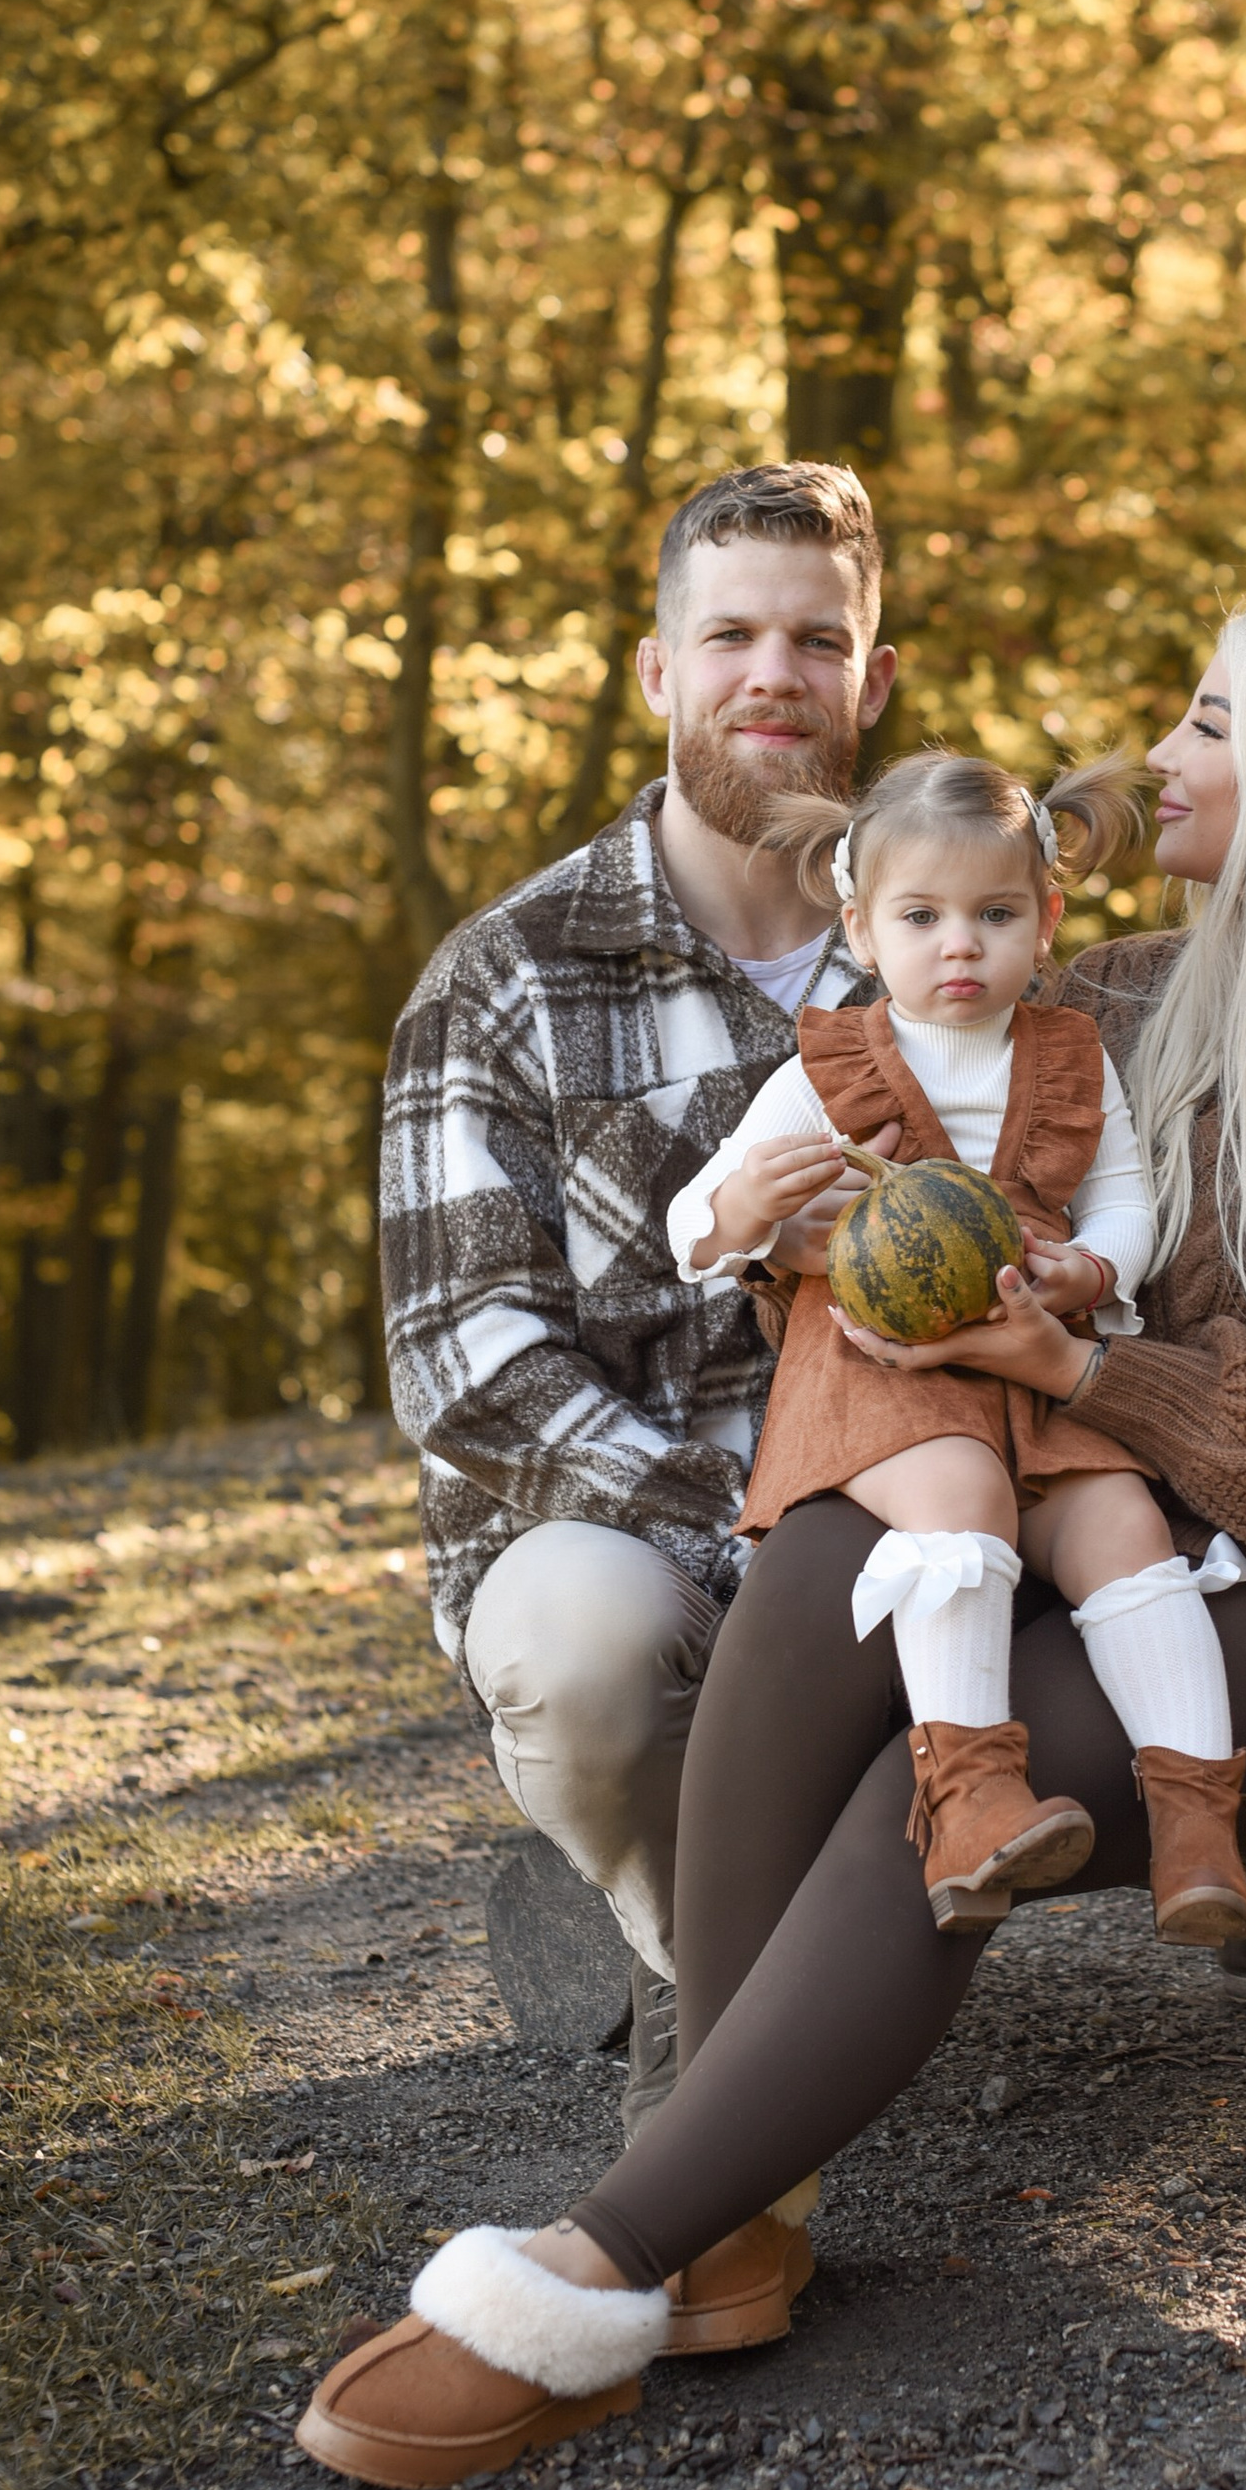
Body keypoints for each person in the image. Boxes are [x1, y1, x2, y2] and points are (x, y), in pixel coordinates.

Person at [301, 596, 1246, 2490]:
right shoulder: (1125, 997)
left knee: (948, 1766)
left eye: (1209, 725)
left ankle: (600, 2268)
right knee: (836, 1554)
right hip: (1091, 1515)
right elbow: (909, 1138)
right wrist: (819, 1226)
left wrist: (1073, 1353)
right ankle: (727, 2208)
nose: (1160, 760)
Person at [379, 458, 897, 2095]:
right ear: (659, 673)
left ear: (871, 681)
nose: (773, 675)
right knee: (584, 1643)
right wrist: (745, 1538)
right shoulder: (511, 974)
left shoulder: (942, 956)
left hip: (905, 1520)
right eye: (730, 633)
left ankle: (756, 2028)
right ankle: (765, 2037)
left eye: (816, 642)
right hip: (630, 1547)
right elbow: (467, 1362)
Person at [667, 746, 1246, 1946]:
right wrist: (740, 1212)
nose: (958, 945)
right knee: (960, 1494)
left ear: (1044, 921)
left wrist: (1095, 1268)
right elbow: (691, 1221)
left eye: (992, 915)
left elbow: (1128, 1199)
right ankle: (969, 1797)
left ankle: (1197, 1821)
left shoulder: (1071, 1055)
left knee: (1127, 1531)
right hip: (880, 1374)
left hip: (1034, 1350)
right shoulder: (825, 1069)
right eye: (921, 916)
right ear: (860, 927)